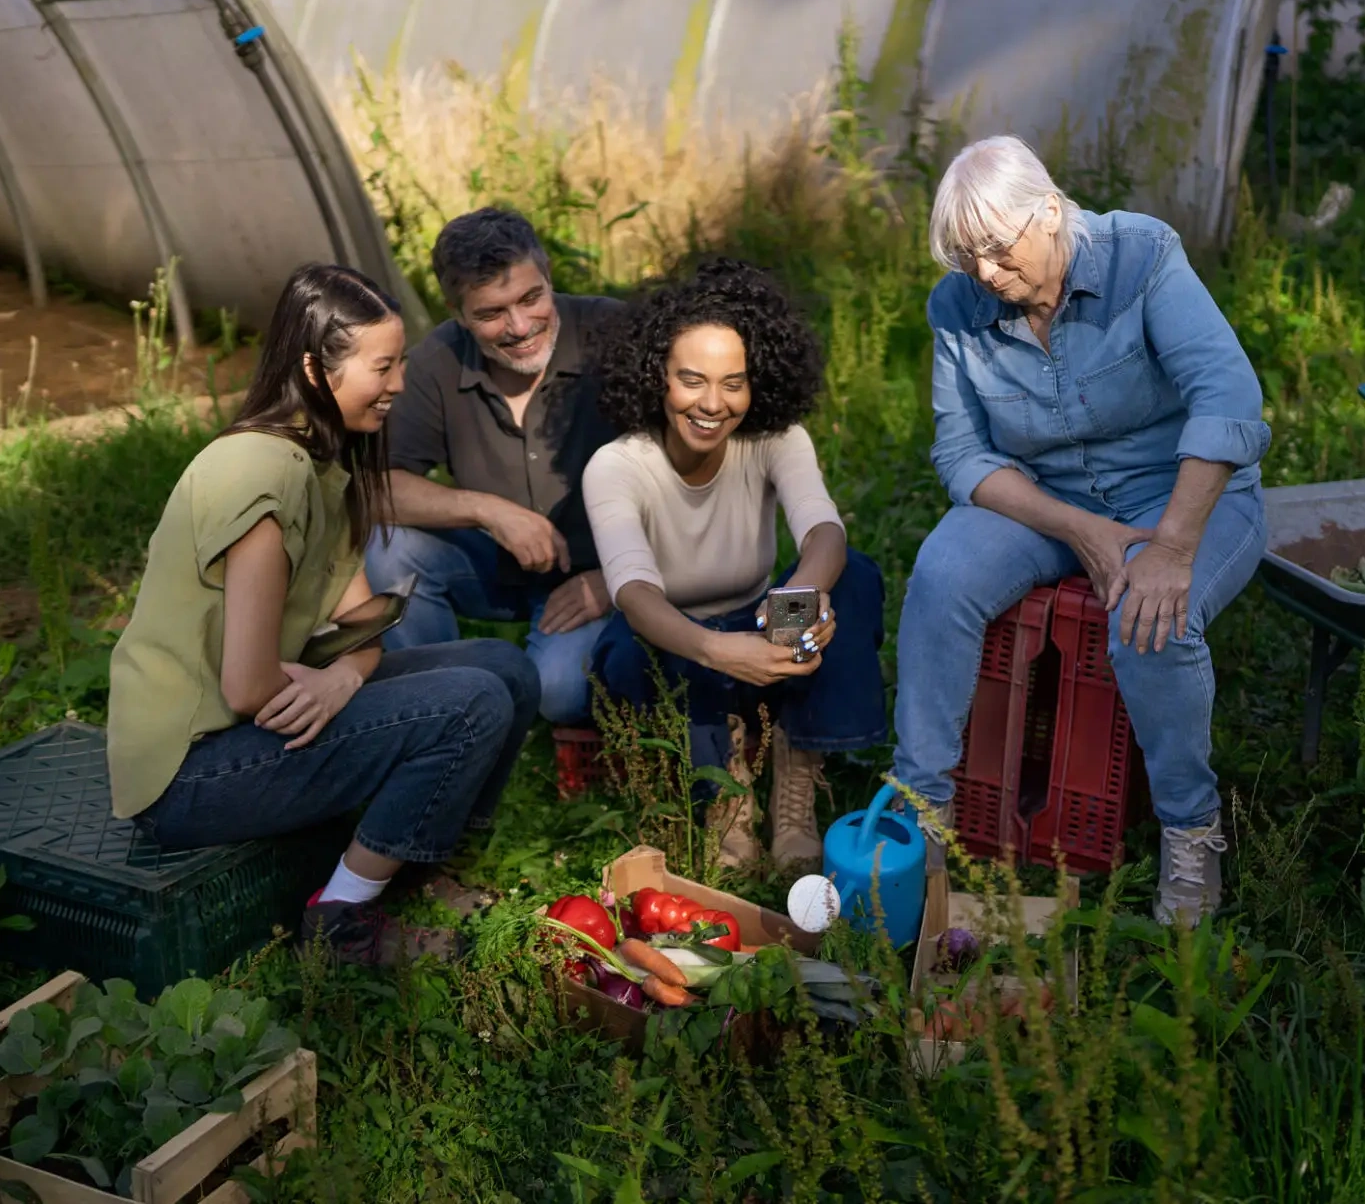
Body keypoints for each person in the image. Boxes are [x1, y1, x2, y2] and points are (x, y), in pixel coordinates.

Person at [107, 264, 540, 966]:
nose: (400, 382)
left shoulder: (324, 468)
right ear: (315, 370)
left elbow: (365, 618)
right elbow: (248, 686)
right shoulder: (262, 473)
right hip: (187, 774)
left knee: (505, 667)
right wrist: (336, 678)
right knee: (470, 702)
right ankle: (339, 920)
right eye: (383, 366)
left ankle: (414, 871)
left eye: (401, 362)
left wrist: (342, 678)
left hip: (251, 723)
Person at [894, 135, 1269, 925]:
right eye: (966, 257)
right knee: (940, 572)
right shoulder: (956, 305)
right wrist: (1079, 527)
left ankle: (1190, 829)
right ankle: (919, 809)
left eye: (997, 249)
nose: (984, 273)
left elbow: (1228, 398)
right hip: (1048, 502)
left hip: (1182, 495)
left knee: (1149, 618)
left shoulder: (1142, 255)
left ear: (1050, 211)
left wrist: (1171, 547)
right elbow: (961, 453)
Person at [583, 257, 887, 869]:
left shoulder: (774, 437)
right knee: (625, 649)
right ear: (658, 375)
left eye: (733, 383)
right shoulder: (616, 466)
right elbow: (634, 593)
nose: (712, 404)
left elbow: (824, 530)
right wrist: (716, 651)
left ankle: (796, 781)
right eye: (691, 380)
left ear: (758, 382)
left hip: (760, 625)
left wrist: (800, 603)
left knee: (853, 576)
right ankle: (726, 800)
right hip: (679, 643)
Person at [365, 207, 621, 726]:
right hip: (498, 566)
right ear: (457, 314)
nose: (520, 327)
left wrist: (619, 580)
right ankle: (444, 713)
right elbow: (373, 487)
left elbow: (700, 467)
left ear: (548, 275)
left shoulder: (615, 333)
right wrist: (487, 510)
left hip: (611, 570)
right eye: (491, 314)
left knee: (557, 693)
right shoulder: (436, 360)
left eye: (531, 298)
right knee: (387, 546)